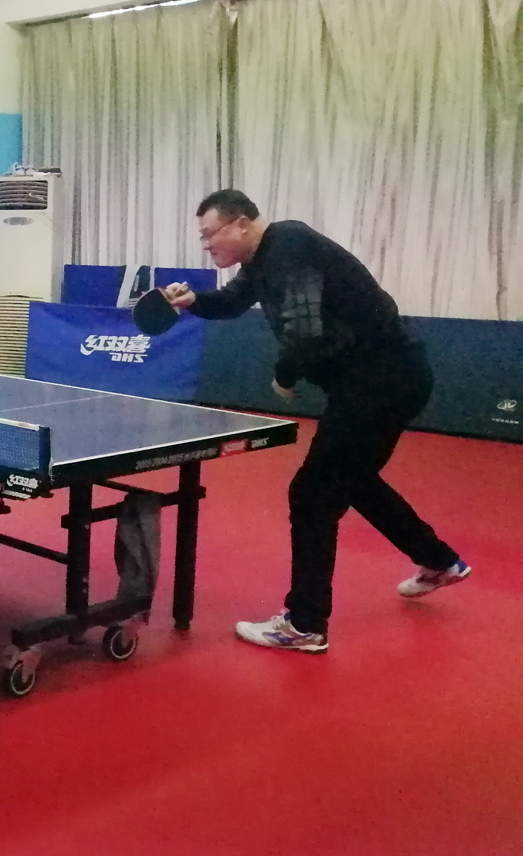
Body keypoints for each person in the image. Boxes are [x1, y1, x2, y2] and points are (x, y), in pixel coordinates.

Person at [163, 189, 468, 654]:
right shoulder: (262, 260)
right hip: (389, 379)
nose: (206, 244)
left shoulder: (289, 245)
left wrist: (285, 375)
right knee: (353, 480)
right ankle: (439, 560)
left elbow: (305, 330)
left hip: (379, 381)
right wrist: (193, 301)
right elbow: (230, 302)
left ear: (241, 223)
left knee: (312, 494)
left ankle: (304, 623)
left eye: (210, 234)